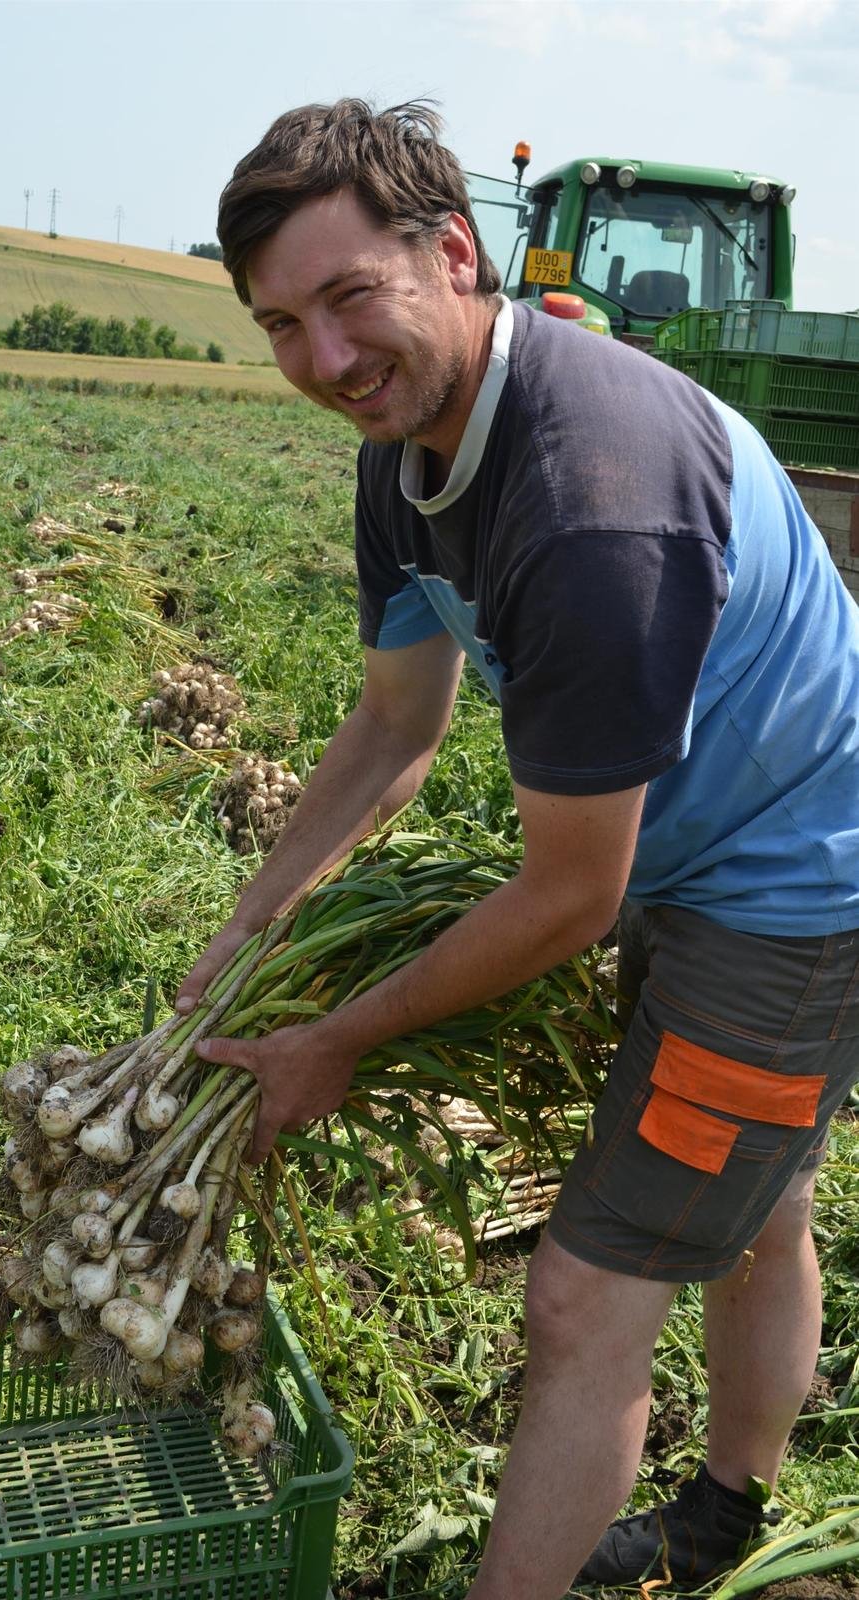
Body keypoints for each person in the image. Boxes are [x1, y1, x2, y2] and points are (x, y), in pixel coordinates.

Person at [175, 100, 859, 1600]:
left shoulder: (590, 501)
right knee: (759, 1203)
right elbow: (391, 730)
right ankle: (728, 1515)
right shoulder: (408, 440)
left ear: (455, 252)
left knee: (582, 1298)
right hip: (701, 854)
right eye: (282, 322)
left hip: (798, 896)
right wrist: (248, 934)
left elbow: (568, 891)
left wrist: (335, 1036)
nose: (326, 360)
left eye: (353, 296)